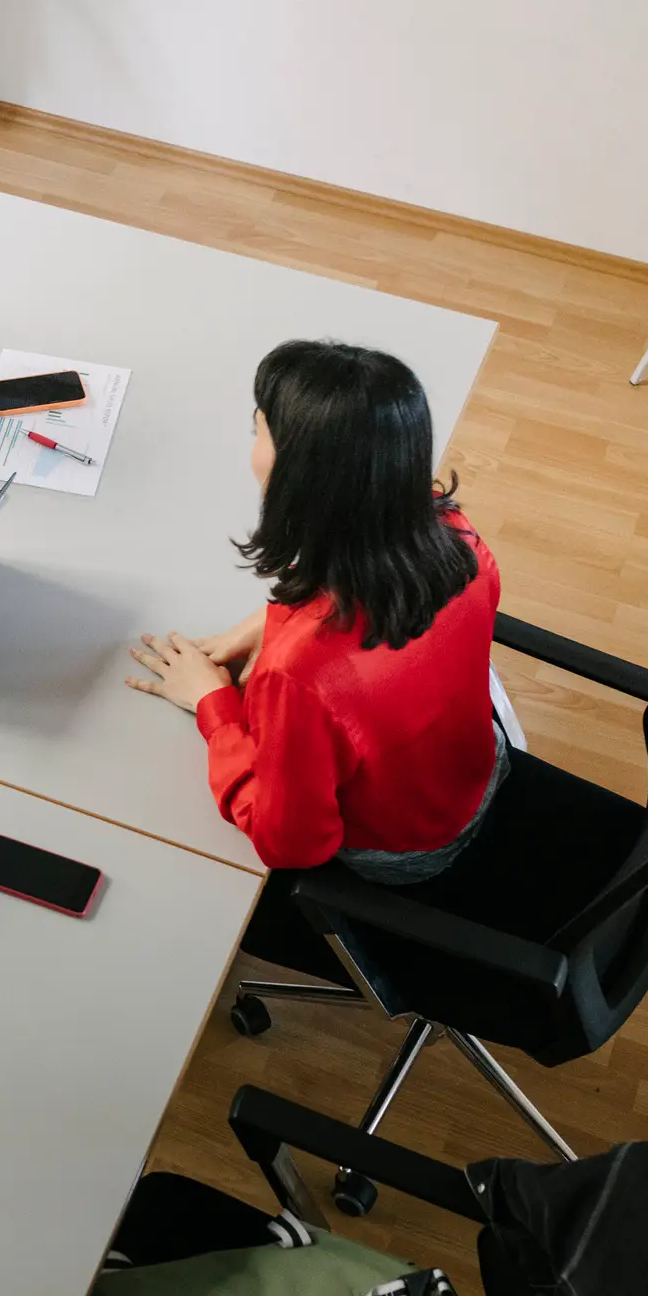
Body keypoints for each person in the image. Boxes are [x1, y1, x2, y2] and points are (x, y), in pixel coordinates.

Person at [123, 340, 506, 892]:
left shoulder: (300, 677)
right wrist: (263, 624)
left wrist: (214, 706)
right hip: (475, 770)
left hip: (404, 850)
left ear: (296, 472)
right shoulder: (456, 535)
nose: (252, 443)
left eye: (258, 429)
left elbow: (291, 845)